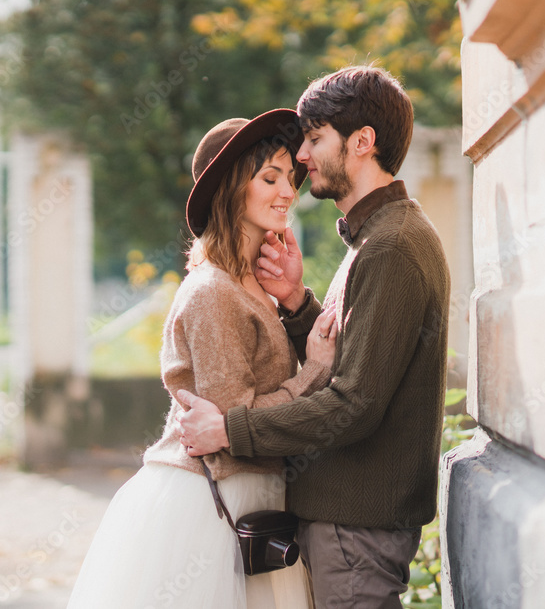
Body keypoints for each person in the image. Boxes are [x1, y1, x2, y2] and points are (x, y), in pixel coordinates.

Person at [177, 66, 452, 609]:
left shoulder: (391, 246)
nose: (302, 157)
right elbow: (356, 359)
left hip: (357, 526)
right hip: (348, 524)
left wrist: (230, 429)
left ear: (362, 143)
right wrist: (300, 304)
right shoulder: (375, 239)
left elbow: (353, 404)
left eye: (314, 138)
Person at [66, 109, 338, 609]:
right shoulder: (213, 292)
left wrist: (295, 297)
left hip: (254, 498)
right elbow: (231, 429)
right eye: (269, 177)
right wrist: (316, 371)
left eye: (290, 178)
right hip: (213, 508)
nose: (288, 192)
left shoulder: (250, 286)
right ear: (233, 189)